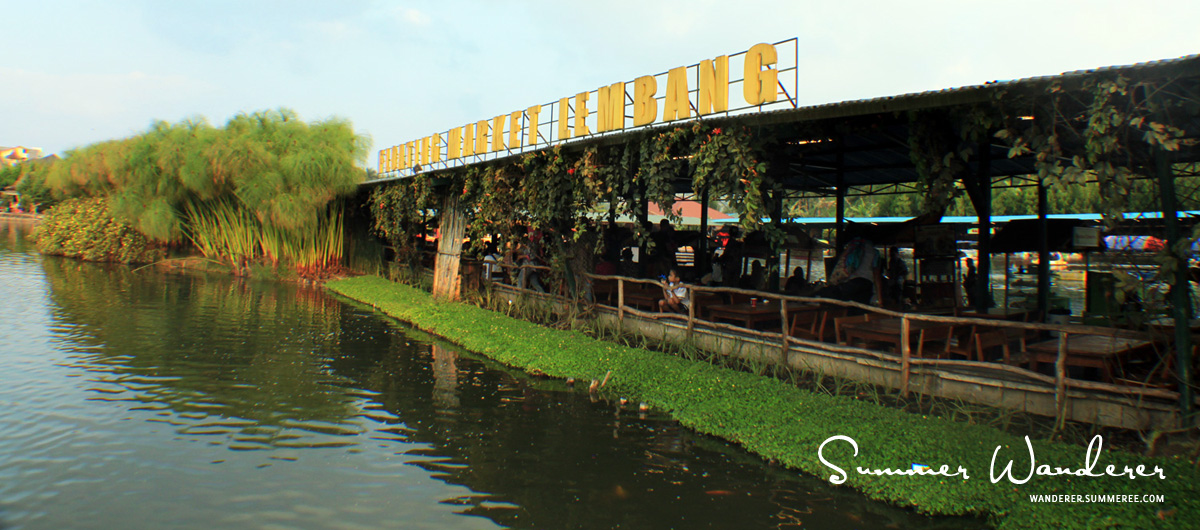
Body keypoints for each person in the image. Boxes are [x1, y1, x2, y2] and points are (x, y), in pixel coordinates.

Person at [817, 237, 882, 306]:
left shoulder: (853, 245)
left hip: (852, 282)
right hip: (867, 284)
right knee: (862, 308)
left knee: (847, 306)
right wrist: (880, 298)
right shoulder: (875, 252)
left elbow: (842, 262)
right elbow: (876, 276)